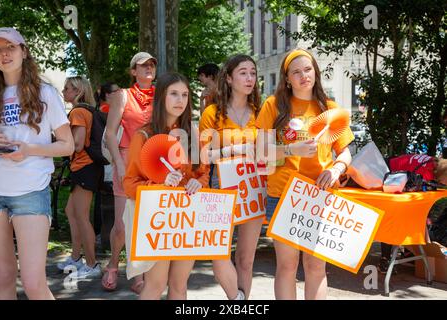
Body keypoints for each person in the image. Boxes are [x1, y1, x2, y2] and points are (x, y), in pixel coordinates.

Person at [255, 48, 354, 300]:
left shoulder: (329, 108)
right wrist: (290, 148)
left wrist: (336, 169)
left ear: (315, 72)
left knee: (316, 266)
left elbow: (345, 153)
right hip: (283, 194)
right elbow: (261, 152)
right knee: (287, 266)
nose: (303, 76)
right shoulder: (273, 105)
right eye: (296, 72)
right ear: (287, 78)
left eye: (307, 69)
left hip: (319, 196)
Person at [0, 27, 74, 299]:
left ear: (24, 51)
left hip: (30, 192)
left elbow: (68, 145)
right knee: (2, 278)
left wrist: (28, 150)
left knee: (33, 284)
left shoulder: (45, 93)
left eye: (10, 48)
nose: (4, 54)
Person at [123, 72, 209, 299]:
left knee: (180, 285)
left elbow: (203, 173)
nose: (180, 100)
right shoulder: (144, 135)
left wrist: (197, 182)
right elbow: (129, 184)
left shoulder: (194, 134)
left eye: (184, 95)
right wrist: (157, 184)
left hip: (186, 219)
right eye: (173, 94)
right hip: (158, 220)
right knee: (156, 284)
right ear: (161, 97)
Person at [199, 54, 262, 300]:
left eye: (253, 73)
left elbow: (273, 153)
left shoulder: (261, 112)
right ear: (228, 78)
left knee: (246, 260)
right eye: (243, 73)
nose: (249, 78)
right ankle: (238, 301)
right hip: (222, 187)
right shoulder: (212, 113)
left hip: (254, 186)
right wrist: (231, 151)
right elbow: (203, 155)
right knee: (218, 255)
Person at [102, 52, 157, 293]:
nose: (148, 68)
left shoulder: (161, 95)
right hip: (126, 158)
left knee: (145, 222)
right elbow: (110, 133)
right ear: (133, 71)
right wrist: (119, 163)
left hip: (153, 161)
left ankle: (139, 275)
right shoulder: (122, 96)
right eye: (142, 65)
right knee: (122, 224)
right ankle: (113, 263)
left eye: (152, 65)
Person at [56, 76, 103, 279]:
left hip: (85, 167)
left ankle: (92, 264)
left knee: (82, 216)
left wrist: (57, 143)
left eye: (67, 88)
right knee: (71, 211)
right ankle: (76, 258)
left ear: (77, 91)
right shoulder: (86, 110)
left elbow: (76, 144)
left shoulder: (77, 112)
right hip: (83, 167)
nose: (64, 91)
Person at [378, 154, 447, 273]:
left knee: (411, 215)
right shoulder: (426, 173)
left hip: (394, 168)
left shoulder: (435, 164)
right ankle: (385, 259)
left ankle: (409, 252)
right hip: (387, 171)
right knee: (392, 215)